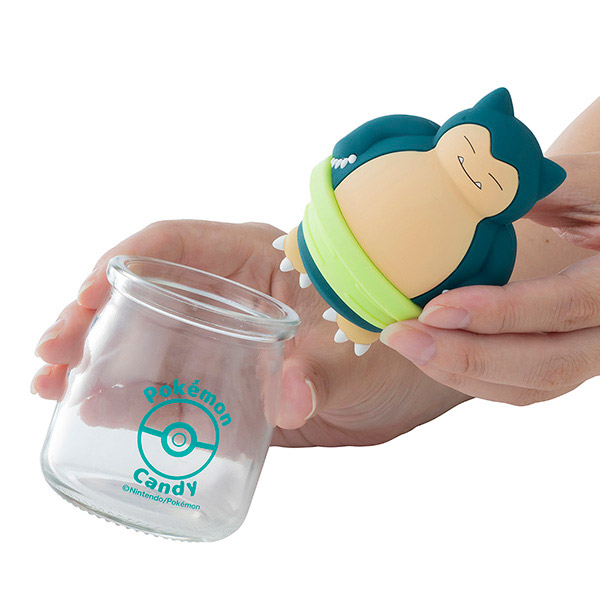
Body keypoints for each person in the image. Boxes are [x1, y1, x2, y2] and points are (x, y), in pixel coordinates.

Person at [31, 97, 600, 448]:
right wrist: (449, 350)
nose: (477, 169)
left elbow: (493, 264)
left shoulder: (490, 233)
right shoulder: (417, 145)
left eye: (495, 179)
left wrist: (483, 320)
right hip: (323, 240)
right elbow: (369, 138)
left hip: (369, 292)